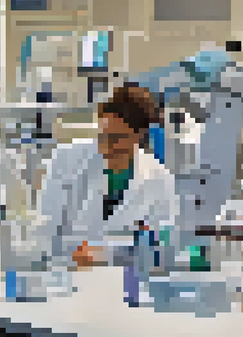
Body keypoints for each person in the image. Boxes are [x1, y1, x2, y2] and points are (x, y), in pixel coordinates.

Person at [32, 84, 177, 267]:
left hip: (126, 276)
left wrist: (105, 254)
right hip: (66, 271)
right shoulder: (66, 159)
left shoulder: (159, 178)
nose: (106, 147)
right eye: (102, 136)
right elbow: (45, 228)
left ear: (139, 135)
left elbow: (160, 246)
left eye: (116, 138)